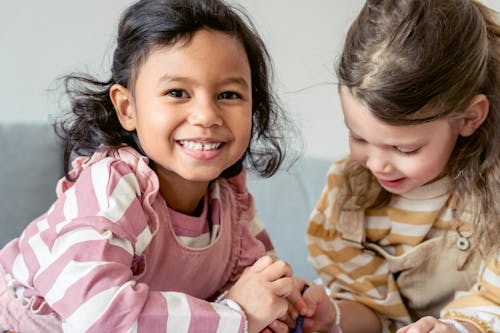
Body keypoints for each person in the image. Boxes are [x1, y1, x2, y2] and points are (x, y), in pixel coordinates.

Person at [0, 0, 307, 332]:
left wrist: (294, 303)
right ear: (127, 108)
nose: (206, 115)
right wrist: (238, 315)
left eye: (229, 95)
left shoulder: (232, 200)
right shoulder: (112, 188)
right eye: (177, 92)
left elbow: (258, 287)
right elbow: (99, 317)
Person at [302, 0, 500, 332]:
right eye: (359, 138)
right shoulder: (348, 194)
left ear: (469, 118)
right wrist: (333, 316)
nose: (377, 164)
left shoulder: (493, 195)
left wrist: (454, 329)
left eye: (403, 148)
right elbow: (370, 311)